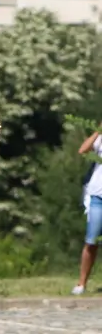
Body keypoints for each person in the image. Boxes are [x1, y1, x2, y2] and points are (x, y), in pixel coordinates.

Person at [71, 123, 102, 295]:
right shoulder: (100, 139)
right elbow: (83, 150)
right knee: (91, 241)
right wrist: (98, 131)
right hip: (98, 195)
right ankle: (82, 283)